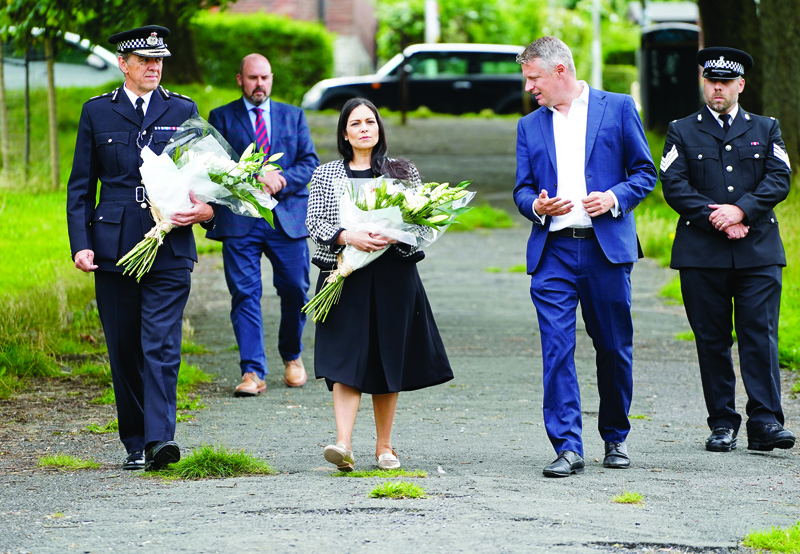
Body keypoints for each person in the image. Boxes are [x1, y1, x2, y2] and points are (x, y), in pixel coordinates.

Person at [66, 26, 213, 471]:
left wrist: (206, 212)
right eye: (145, 60)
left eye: (159, 60)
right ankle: (134, 439)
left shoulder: (182, 109)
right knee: (125, 346)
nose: (154, 67)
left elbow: (208, 180)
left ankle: (159, 441)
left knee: (162, 343)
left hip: (169, 244)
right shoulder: (97, 112)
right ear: (123, 64)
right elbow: (79, 187)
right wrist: (81, 244)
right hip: (113, 246)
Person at [513, 37, 657, 477]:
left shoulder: (617, 107)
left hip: (605, 249)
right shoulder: (529, 125)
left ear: (560, 71)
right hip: (552, 250)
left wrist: (613, 197)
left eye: (534, 78)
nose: (529, 88)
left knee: (613, 347)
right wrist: (536, 206)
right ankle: (567, 446)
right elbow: (520, 188)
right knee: (556, 348)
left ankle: (615, 437)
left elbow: (645, 172)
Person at [306, 98, 453, 471]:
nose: (364, 128)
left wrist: (394, 236)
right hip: (344, 275)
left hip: (393, 277)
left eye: (370, 121)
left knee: (388, 359)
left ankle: (384, 448)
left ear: (379, 127)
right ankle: (342, 444)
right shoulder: (326, 175)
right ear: (344, 133)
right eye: (355, 124)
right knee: (344, 360)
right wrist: (348, 236)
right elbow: (316, 223)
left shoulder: (403, 172)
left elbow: (423, 224)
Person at [659, 47, 794, 453]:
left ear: (740, 85)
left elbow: (779, 177)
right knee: (712, 339)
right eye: (711, 81)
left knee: (760, 335)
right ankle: (722, 422)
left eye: (725, 82)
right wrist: (716, 217)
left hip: (758, 251)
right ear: (703, 83)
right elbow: (674, 185)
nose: (718, 88)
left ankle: (765, 422)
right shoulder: (681, 130)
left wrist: (741, 211)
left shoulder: (766, 127)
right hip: (702, 252)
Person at [207, 54, 320, 396]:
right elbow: (214, 166)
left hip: (285, 220)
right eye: (253, 78)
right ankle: (252, 371)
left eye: (265, 78)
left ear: (272, 79)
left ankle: (292, 355)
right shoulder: (221, 117)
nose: (260, 84)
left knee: (296, 291)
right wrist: (253, 176)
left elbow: (309, 162)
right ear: (240, 79)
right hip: (240, 221)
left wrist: (281, 179)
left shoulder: (293, 116)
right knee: (245, 294)